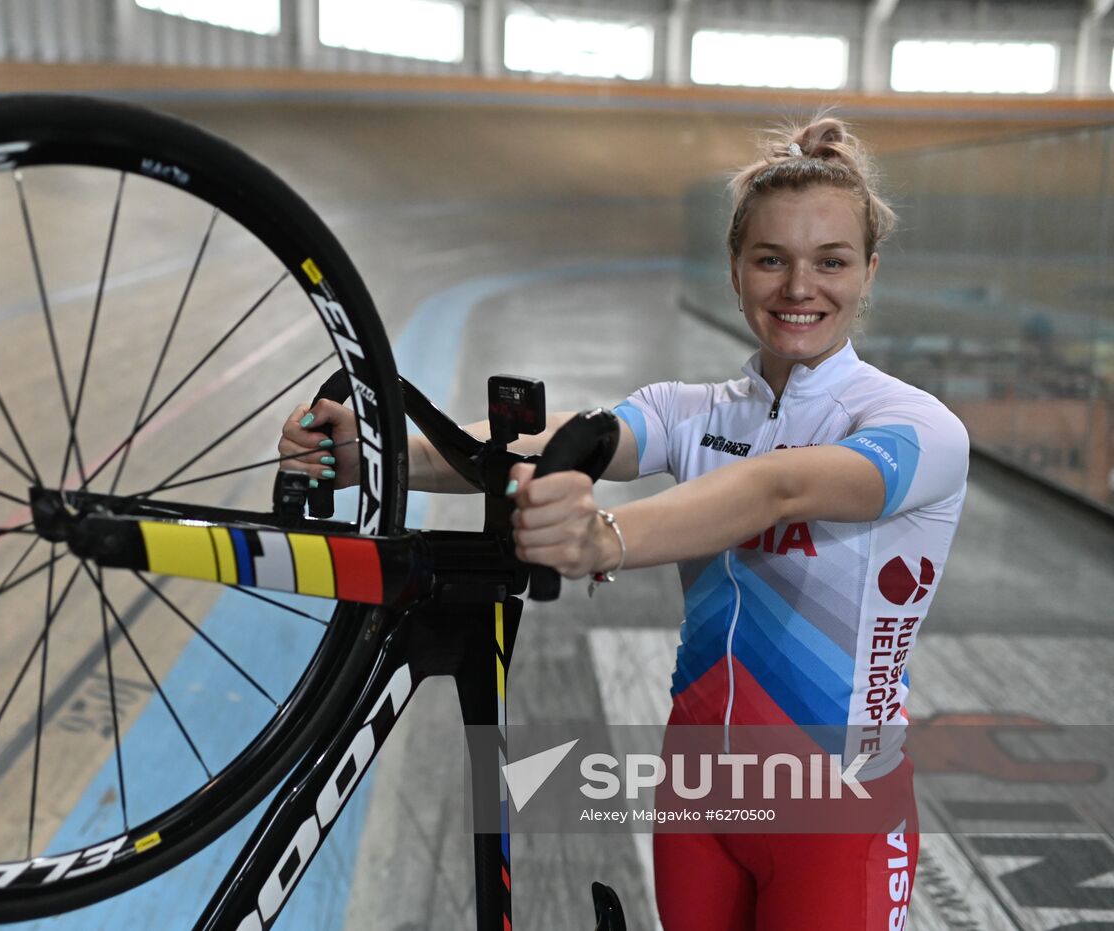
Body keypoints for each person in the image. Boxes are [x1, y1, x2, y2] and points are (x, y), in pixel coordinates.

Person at [278, 116, 967, 930]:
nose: (798, 287)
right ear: (737, 269)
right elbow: (554, 439)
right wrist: (382, 454)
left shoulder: (918, 429)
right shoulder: (696, 410)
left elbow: (779, 488)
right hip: (700, 791)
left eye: (831, 261)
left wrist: (607, 536)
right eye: (771, 259)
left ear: (869, 271)